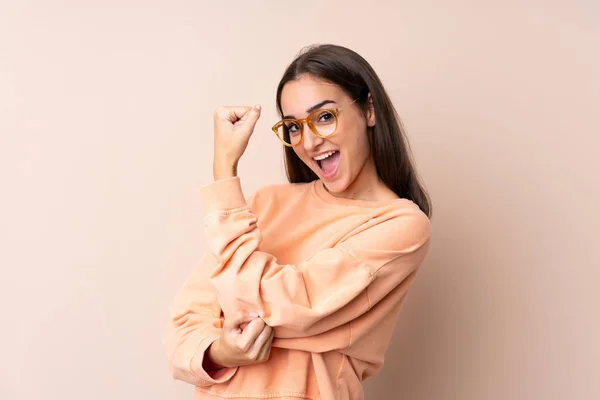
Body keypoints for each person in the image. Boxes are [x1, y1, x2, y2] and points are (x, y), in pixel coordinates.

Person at [164, 44, 432, 400]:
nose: (308, 141)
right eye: (293, 127)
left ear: (369, 110)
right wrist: (222, 352)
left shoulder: (400, 225)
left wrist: (224, 174)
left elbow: (289, 307)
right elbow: (185, 322)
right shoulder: (265, 203)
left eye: (324, 117)